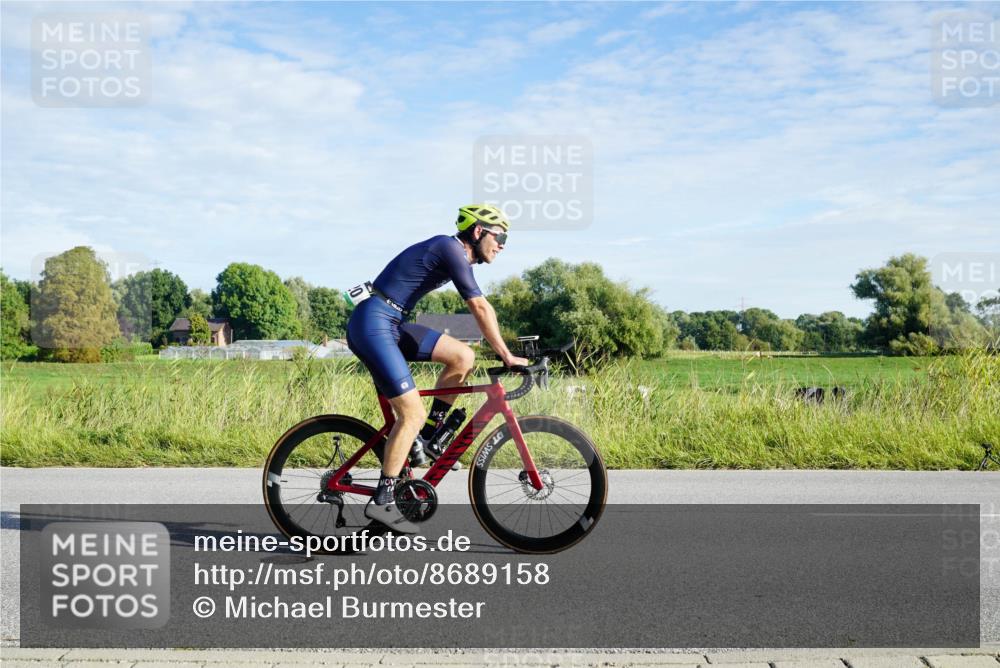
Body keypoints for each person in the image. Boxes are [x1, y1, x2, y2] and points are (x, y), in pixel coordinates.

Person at [346, 204, 530, 533]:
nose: (502, 244)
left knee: (463, 358)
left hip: (391, 320)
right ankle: (383, 499)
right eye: (500, 236)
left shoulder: (453, 253)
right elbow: (479, 306)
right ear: (478, 232)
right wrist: (506, 355)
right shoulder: (450, 248)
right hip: (373, 322)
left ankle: (429, 436)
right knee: (410, 413)